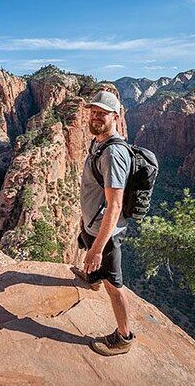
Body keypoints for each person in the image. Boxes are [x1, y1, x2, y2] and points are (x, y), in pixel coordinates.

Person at [78, 90, 135, 356]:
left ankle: (123, 337)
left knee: (115, 285)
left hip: (106, 232)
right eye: (93, 112)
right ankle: (92, 277)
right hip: (92, 223)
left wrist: (98, 249)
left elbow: (115, 206)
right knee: (93, 264)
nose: (96, 116)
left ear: (115, 116)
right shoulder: (98, 141)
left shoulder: (113, 153)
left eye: (102, 113)